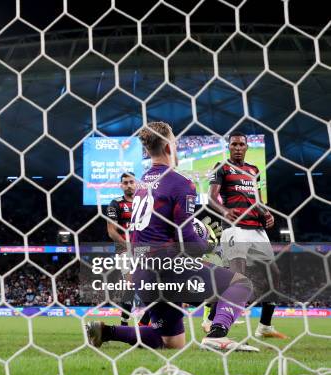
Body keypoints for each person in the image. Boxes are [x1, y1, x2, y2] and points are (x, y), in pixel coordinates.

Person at [86, 122, 259, 352]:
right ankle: (217, 333)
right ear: (169, 147)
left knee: (171, 341)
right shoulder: (181, 183)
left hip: (142, 272)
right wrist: (208, 245)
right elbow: (186, 237)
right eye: (176, 142)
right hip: (168, 267)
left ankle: (106, 331)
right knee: (240, 283)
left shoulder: (141, 184)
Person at [205, 132, 287, 339]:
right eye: (234, 144)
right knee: (237, 277)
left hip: (257, 230)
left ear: (247, 147)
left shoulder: (254, 170)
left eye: (242, 144)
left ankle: (265, 326)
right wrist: (224, 211)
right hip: (235, 228)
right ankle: (217, 327)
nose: (238, 147)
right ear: (229, 147)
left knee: (274, 274)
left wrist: (267, 214)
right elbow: (211, 197)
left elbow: (257, 201)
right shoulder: (222, 167)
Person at [106, 172, 150, 326]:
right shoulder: (115, 204)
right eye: (125, 182)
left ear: (136, 183)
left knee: (148, 283)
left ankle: (144, 319)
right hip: (124, 250)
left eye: (131, 182)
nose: (129, 185)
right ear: (121, 185)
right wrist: (127, 245)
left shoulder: (145, 203)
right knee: (131, 283)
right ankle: (125, 322)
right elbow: (111, 231)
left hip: (143, 248)